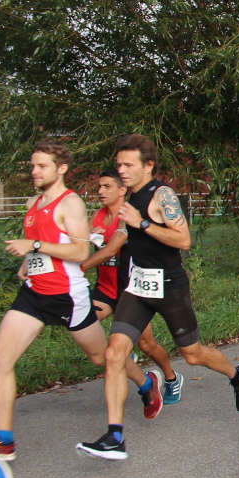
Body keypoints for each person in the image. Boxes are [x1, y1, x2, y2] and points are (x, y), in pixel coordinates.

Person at [75, 134, 239, 460]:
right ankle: (115, 436)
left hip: (169, 286)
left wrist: (142, 223)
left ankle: (237, 375)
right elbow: (124, 234)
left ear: (147, 165)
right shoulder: (128, 198)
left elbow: (183, 240)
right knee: (115, 354)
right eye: (119, 164)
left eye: (128, 164)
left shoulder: (162, 195)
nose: (122, 170)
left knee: (193, 354)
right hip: (138, 286)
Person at [0, 142, 156, 462]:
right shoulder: (33, 201)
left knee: (101, 358)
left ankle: (145, 383)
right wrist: (29, 260)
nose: (34, 172)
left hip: (67, 295)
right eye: (33, 166)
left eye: (42, 167)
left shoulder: (71, 204)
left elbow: (80, 253)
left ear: (61, 168)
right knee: (0, 359)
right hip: (34, 294)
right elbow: (45, 246)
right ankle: (3, 439)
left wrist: (33, 244)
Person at [81, 169, 184, 405]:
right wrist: (86, 238)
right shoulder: (97, 216)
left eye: (107, 186)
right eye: (99, 187)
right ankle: (122, 355)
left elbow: (109, 250)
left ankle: (170, 377)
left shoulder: (128, 216)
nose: (100, 191)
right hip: (105, 289)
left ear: (122, 190)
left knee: (147, 343)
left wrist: (82, 266)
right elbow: (83, 242)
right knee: (85, 322)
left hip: (130, 290)